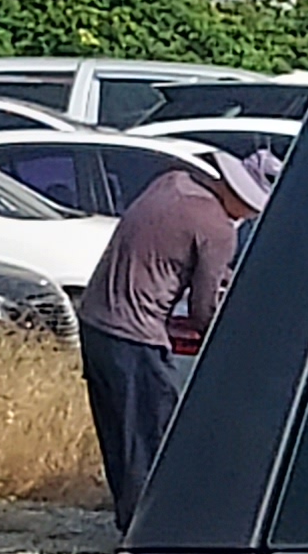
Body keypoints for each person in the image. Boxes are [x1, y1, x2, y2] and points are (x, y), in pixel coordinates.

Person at [76, 148, 277, 528]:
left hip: (95, 321)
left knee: (122, 440)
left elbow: (161, 254)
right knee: (153, 442)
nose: (249, 215)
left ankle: (129, 526)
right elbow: (203, 311)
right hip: (137, 334)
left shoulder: (171, 183)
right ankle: (150, 534)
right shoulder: (217, 229)